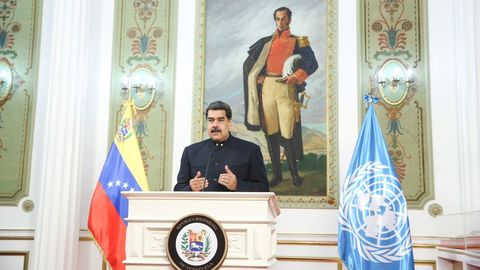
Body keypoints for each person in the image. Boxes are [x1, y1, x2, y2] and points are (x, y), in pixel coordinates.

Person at [243, 6, 318, 187]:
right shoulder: (266, 42)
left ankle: (294, 174)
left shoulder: (299, 41)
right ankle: (277, 176)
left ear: (289, 20)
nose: (281, 22)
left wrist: (296, 76)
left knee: (288, 133)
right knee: (271, 134)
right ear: (275, 20)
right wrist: (258, 75)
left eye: (284, 19)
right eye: (278, 19)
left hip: (287, 89)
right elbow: (250, 63)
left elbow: (312, 64)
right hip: (267, 88)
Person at [174, 101, 269, 192]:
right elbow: (178, 189)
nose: (215, 125)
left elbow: (263, 188)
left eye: (220, 120)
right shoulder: (191, 152)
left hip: (236, 208)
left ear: (229, 123)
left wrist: (237, 184)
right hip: (201, 208)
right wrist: (191, 188)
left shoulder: (251, 150)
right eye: (211, 120)